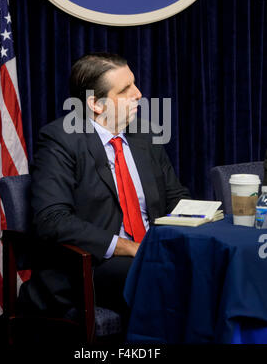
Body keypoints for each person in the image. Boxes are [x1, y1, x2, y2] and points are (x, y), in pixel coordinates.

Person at [18, 53, 191, 328]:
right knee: (167, 276)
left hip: (149, 250)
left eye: (134, 84)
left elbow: (176, 198)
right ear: (96, 105)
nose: (138, 94)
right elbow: (52, 219)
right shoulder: (60, 140)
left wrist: (202, 225)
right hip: (92, 263)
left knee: (210, 264)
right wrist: (127, 247)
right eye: (125, 90)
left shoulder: (144, 135)